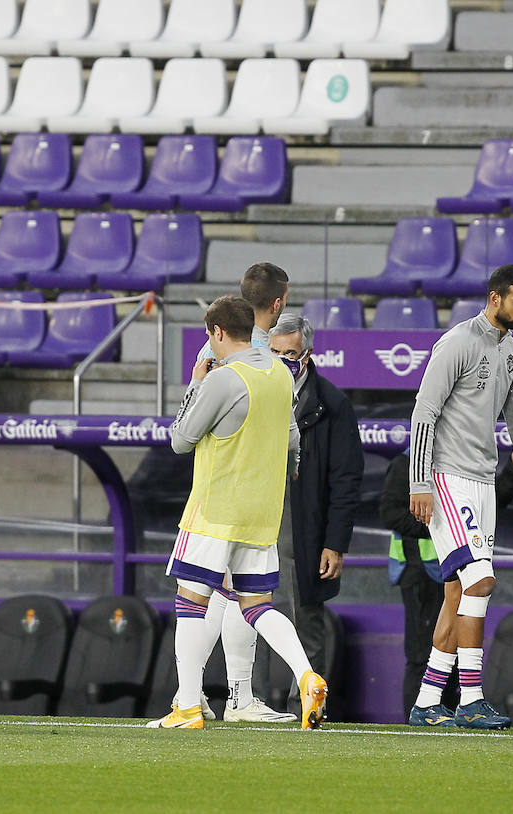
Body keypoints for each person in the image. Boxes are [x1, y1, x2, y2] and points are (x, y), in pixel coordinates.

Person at [150, 296, 326, 730]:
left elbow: (180, 440)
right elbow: (291, 441)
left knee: (191, 603)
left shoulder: (224, 379)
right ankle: (305, 674)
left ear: (217, 333)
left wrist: (194, 384)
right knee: (256, 605)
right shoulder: (281, 375)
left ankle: (188, 706)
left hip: (216, 508)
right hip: (262, 511)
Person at [407, 264, 513, 729]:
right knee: (479, 582)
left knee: (458, 592)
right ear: (495, 299)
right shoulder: (457, 342)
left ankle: (428, 700)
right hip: (446, 479)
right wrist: (419, 482)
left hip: (483, 482)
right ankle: (472, 698)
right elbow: (424, 410)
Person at [194, 262, 295, 723]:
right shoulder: (267, 357)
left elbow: (191, 423)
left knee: (207, 591)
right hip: (251, 489)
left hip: (213, 483)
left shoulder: (215, 345)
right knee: (237, 594)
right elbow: (290, 433)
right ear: (278, 302)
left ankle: (193, 695)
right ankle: (236, 696)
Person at [383, 448, 513, 714]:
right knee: (419, 655)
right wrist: (444, 529)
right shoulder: (406, 463)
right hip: (420, 574)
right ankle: (422, 720)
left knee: (453, 649)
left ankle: (445, 709)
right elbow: (390, 513)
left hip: (459, 571)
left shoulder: (464, 463)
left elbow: (490, 504)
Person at [268, 313, 364, 681]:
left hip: (302, 523)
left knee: (305, 616)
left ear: (306, 355)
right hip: (255, 515)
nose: (282, 361)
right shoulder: (252, 394)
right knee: (246, 613)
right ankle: (246, 699)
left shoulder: (333, 404)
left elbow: (346, 480)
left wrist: (334, 543)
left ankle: (309, 702)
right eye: (274, 352)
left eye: (289, 354)